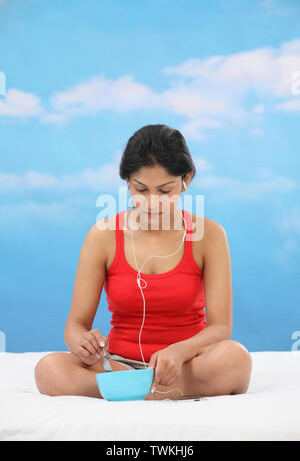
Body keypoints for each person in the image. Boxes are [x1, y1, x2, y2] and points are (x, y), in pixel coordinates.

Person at [34, 124, 252, 401]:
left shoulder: (209, 235)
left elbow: (221, 328)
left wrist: (180, 351)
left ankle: (130, 391)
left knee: (235, 359)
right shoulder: (102, 236)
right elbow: (75, 325)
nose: (151, 203)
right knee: (49, 370)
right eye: (141, 189)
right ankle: (157, 392)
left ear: (187, 179)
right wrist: (83, 344)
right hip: (116, 365)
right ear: (127, 182)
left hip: (187, 365)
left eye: (164, 191)